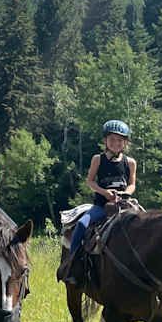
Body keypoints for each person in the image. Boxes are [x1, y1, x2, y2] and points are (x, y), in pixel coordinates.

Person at [58, 119, 137, 285]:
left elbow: (132, 184)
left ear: (125, 143)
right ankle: (72, 264)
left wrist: (125, 193)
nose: (115, 143)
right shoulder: (98, 159)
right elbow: (90, 181)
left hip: (123, 205)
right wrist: (105, 192)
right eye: (112, 140)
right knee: (81, 225)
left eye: (119, 140)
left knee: (146, 224)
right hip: (101, 206)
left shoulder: (130, 162)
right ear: (105, 141)